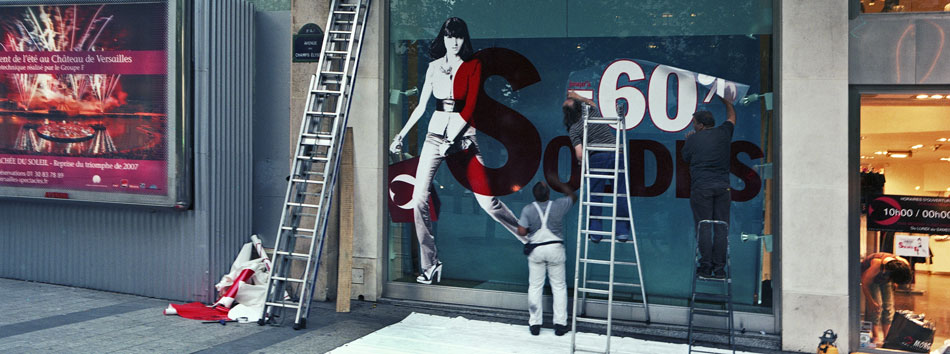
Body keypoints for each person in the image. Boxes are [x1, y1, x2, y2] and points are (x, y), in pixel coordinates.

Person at [389, 17, 524, 285]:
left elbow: (470, 106)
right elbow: (420, 107)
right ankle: (431, 264)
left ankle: (528, 238)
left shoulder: (473, 66)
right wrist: (400, 135)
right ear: (444, 38)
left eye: (459, 36)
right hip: (435, 136)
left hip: (463, 139)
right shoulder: (433, 67)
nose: (454, 41)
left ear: (464, 39)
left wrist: (452, 138)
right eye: (450, 36)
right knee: (418, 200)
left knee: (488, 203)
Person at [563, 91, 632, 243]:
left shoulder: (574, 129)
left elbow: (580, 154)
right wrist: (576, 96)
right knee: (620, 192)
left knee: (595, 195)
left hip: (597, 157)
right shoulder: (593, 113)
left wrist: (583, 162)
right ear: (580, 107)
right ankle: (622, 231)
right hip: (616, 153)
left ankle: (595, 232)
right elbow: (591, 102)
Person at [681, 95, 736, 279]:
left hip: (702, 188)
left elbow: (686, 158)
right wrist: (727, 102)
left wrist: (689, 140)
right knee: (721, 227)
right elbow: (731, 118)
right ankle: (719, 270)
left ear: (701, 126)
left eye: (694, 123)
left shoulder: (693, 140)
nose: (693, 126)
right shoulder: (724, 133)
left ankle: (705, 267)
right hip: (722, 188)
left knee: (703, 227)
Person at [517, 182, 575, 336]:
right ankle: (560, 324)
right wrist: (560, 183)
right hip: (555, 249)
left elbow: (521, 231)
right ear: (548, 194)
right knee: (559, 287)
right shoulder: (558, 205)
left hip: (537, 250)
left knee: (535, 287)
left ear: (534, 195)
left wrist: (530, 227)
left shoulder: (528, 209)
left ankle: (535, 324)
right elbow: (572, 196)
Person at [861, 252, 912, 346]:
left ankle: (887, 337)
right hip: (872, 279)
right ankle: (875, 336)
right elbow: (865, 284)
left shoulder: (903, 264)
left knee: (888, 307)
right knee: (877, 307)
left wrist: (895, 282)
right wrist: (871, 301)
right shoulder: (877, 264)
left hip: (887, 275)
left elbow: (900, 274)